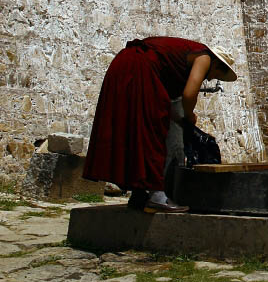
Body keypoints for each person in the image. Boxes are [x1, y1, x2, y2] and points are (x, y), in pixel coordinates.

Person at [83, 37, 238, 213]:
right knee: (154, 134)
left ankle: (139, 193)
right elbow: (189, 94)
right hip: (140, 69)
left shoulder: (187, 55)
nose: (210, 79)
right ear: (217, 65)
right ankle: (157, 195)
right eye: (215, 75)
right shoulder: (205, 57)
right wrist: (189, 116)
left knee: (136, 133)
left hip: (124, 66)